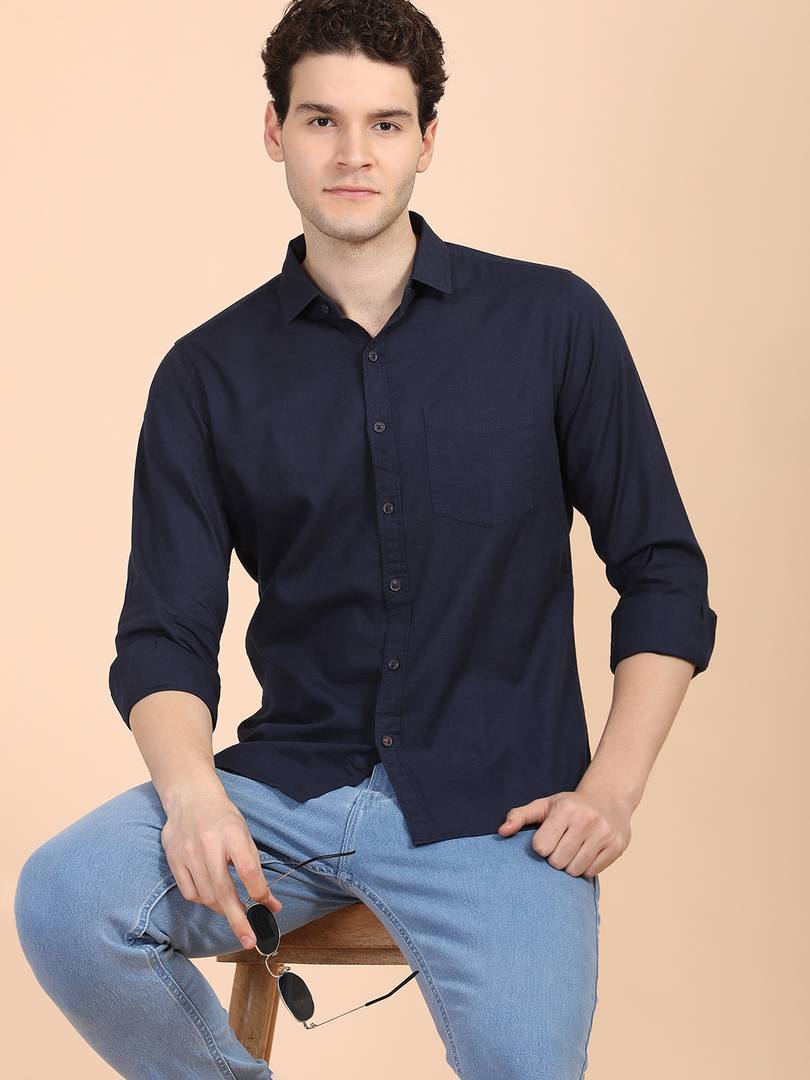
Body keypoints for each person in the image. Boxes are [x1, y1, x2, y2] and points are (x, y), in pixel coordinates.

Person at [14, 1, 718, 1077]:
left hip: (499, 812)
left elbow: (663, 571)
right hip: (281, 796)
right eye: (321, 120)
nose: (353, 154)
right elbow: (163, 632)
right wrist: (194, 798)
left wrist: (612, 790)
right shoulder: (206, 374)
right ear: (275, 131)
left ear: (427, 140)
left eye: (385, 124)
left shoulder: (553, 323)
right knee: (67, 898)